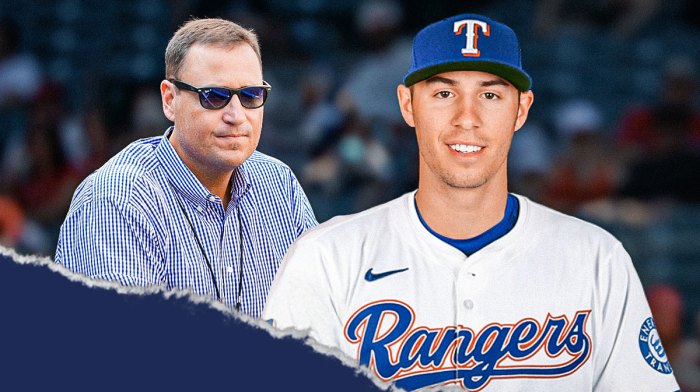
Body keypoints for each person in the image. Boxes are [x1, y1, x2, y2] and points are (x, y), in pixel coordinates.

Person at [263, 13, 680, 391]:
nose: (467, 117)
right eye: (443, 95)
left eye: (491, 95)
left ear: (521, 110)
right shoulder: (326, 259)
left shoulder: (596, 259)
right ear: (408, 105)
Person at [55, 18, 318, 318]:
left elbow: (321, 318)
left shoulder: (278, 183)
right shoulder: (117, 200)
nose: (236, 115)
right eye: (214, 96)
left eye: (251, 96)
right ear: (169, 100)